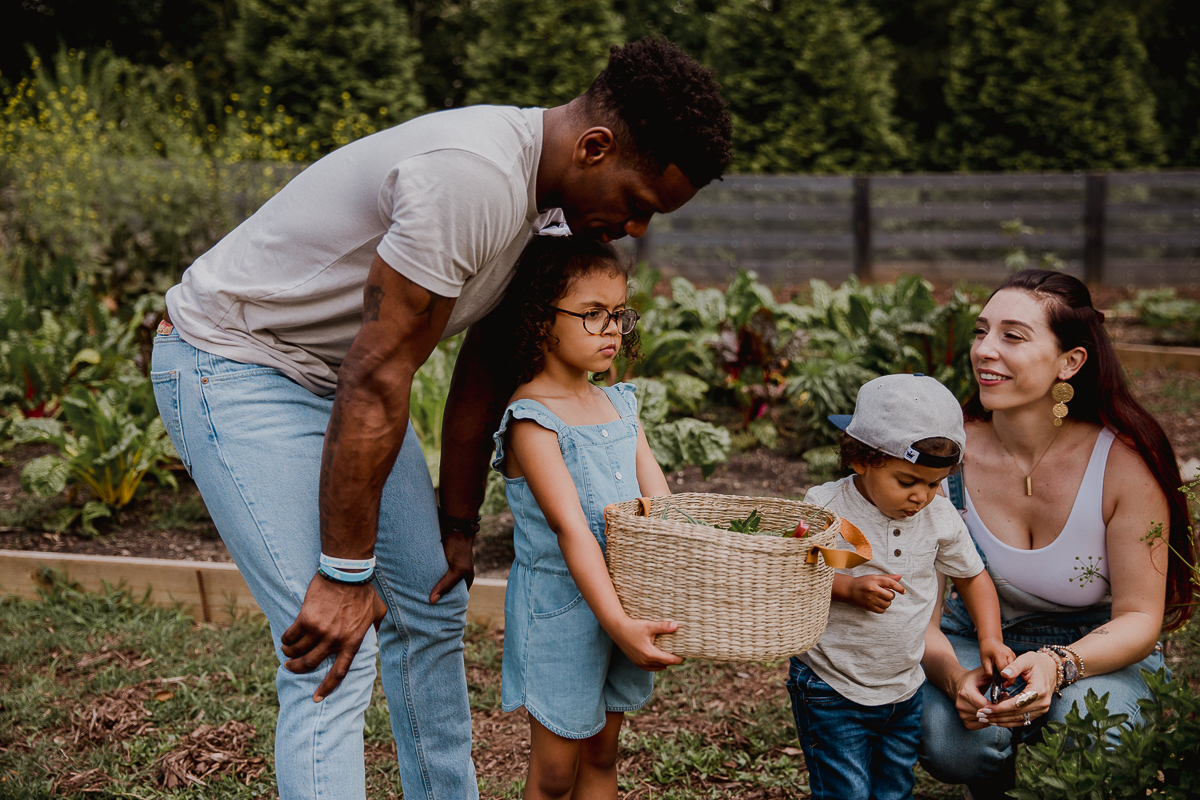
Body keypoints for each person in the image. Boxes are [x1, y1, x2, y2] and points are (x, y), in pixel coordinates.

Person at [150, 38, 732, 799]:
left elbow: (486, 366)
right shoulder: (473, 177)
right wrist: (345, 572)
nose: (636, 229)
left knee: (430, 599)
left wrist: (456, 525)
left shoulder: (552, 210)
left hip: (341, 380)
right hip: (234, 365)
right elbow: (381, 372)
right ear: (596, 147)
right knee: (334, 645)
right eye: (638, 204)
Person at [918, 269, 1197, 800]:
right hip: (976, 636)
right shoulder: (947, 456)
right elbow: (923, 617)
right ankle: (993, 776)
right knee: (952, 743)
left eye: (1012, 336)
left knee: (1092, 725)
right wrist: (957, 678)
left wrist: (1058, 663)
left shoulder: (1122, 462)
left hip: (1096, 643)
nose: (984, 350)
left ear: (1070, 361)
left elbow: (1140, 617)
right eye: (981, 332)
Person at [489, 234, 678, 800]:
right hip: (561, 613)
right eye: (592, 315)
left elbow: (660, 502)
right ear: (539, 320)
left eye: (618, 314)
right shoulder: (532, 419)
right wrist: (618, 624)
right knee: (552, 774)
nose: (612, 329)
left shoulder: (619, 402)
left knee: (602, 752)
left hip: (625, 596)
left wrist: (680, 572)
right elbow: (571, 527)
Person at [787, 374, 1013, 800]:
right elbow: (798, 568)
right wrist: (849, 589)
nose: (921, 497)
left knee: (894, 789)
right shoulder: (825, 507)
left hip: (904, 685)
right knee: (846, 792)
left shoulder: (939, 517)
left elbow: (972, 576)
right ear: (861, 459)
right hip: (832, 684)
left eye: (933, 483)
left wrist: (991, 637)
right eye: (907, 482)